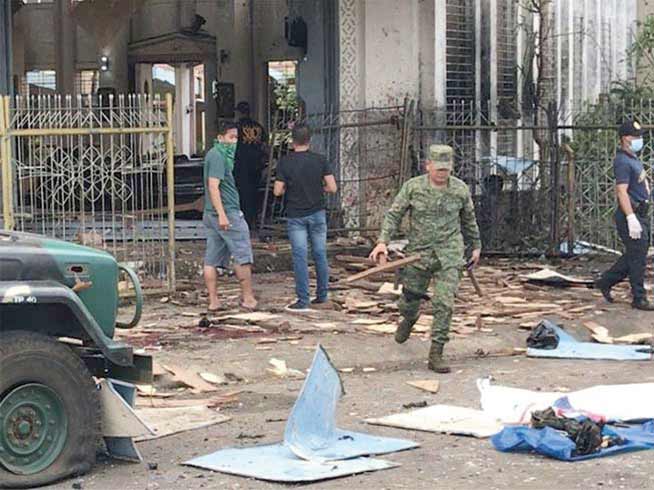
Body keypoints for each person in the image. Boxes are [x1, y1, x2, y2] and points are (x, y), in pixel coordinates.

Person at [369, 145, 481, 373]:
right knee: (409, 300)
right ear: (427, 165)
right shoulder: (413, 187)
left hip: (449, 253)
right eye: (438, 169)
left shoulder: (460, 190)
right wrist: (383, 241)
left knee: (444, 303)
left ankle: (436, 353)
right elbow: (395, 214)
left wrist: (476, 246)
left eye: (446, 169)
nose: (442, 174)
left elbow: (469, 219)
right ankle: (409, 318)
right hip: (418, 254)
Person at [273, 123, 338, 311]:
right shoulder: (320, 160)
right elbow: (332, 188)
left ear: (292, 141)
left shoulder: (285, 162)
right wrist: (319, 189)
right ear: (310, 140)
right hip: (317, 213)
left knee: (300, 256)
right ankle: (322, 295)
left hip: (296, 215)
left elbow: (277, 191)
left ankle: (303, 300)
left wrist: (288, 188)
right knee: (320, 254)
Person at [595, 120, 654, 310]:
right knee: (637, 258)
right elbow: (621, 191)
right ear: (625, 139)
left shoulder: (632, 158)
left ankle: (605, 281)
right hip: (631, 213)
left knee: (635, 255)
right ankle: (639, 297)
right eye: (635, 136)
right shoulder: (621, 161)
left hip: (641, 213)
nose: (639, 140)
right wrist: (631, 218)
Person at [203, 120, 257, 312]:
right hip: (227, 213)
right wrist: (223, 215)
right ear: (220, 138)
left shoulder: (215, 155)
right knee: (242, 254)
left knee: (212, 258)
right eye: (230, 137)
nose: (234, 142)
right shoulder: (218, 156)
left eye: (236, 138)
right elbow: (213, 186)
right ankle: (248, 298)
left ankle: (214, 301)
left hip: (211, 214)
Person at [234, 101, 268, 230]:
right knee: (254, 193)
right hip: (256, 165)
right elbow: (265, 146)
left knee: (242, 194)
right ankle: (253, 220)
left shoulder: (236, 127)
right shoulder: (259, 127)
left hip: (241, 164)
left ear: (238, 112)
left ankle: (244, 222)